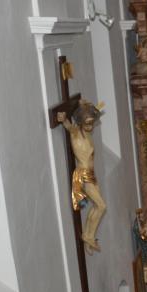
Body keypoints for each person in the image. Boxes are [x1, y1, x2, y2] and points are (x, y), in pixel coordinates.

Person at [57, 102, 107, 251]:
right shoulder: (76, 133)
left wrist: (85, 105)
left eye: (92, 123)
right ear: (80, 122)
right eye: (88, 123)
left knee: (97, 206)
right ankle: (88, 236)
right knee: (101, 206)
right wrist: (63, 119)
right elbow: (69, 127)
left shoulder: (87, 134)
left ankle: (88, 235)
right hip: (83, 176)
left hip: (91, 174)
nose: (91, 126)